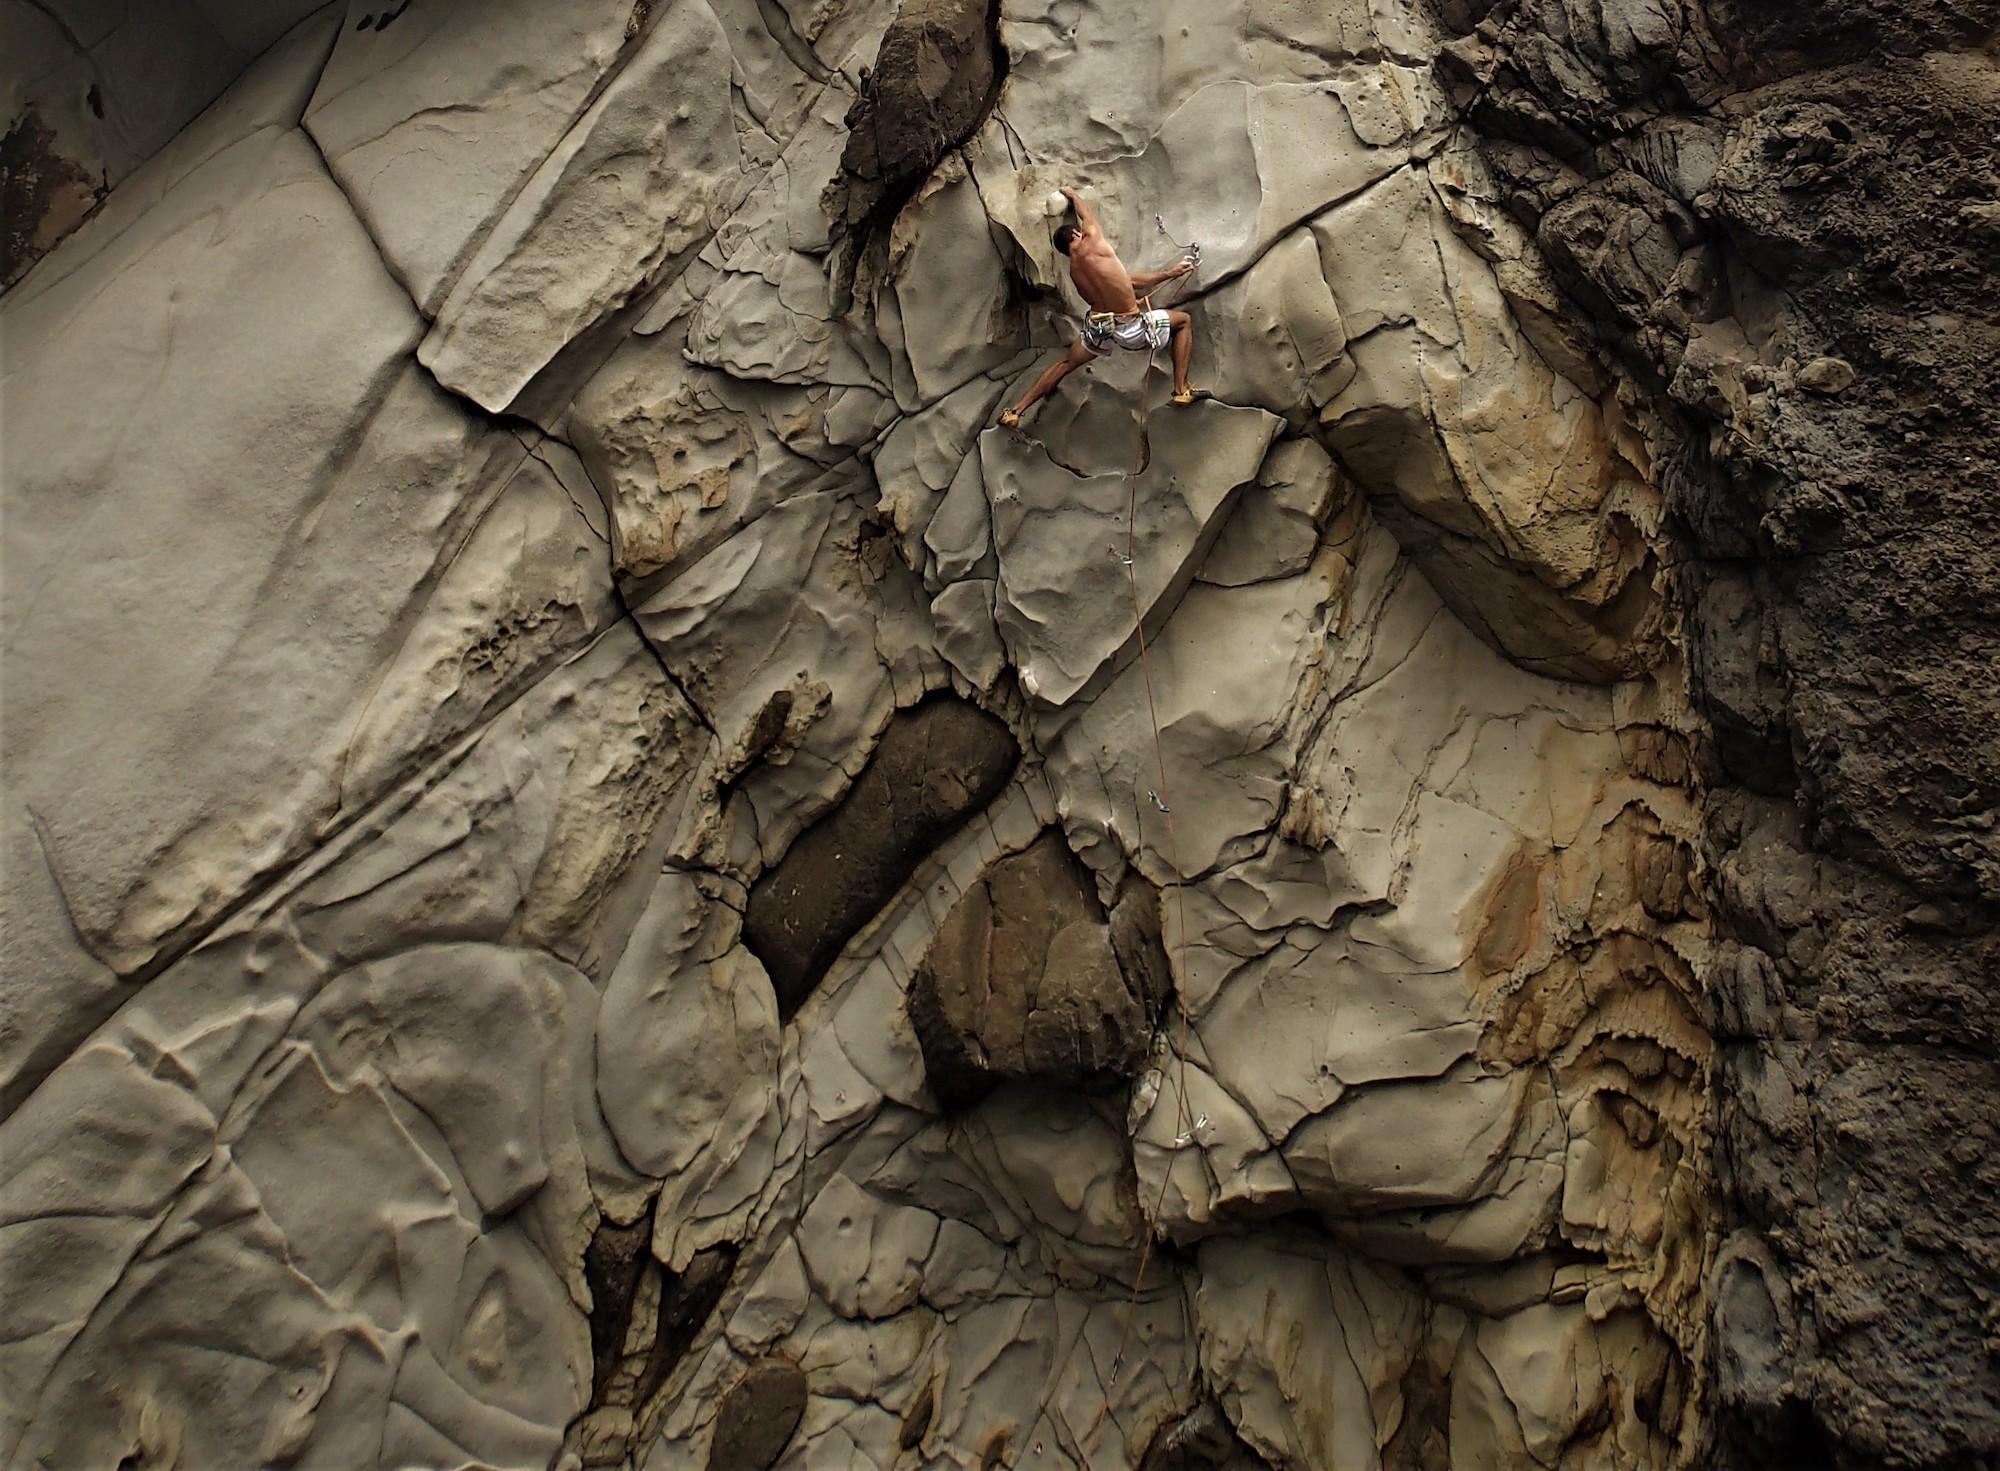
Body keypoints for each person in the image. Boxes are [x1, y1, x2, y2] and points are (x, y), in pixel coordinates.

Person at [998, 186, 1197, 428]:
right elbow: (1086, 213)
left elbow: (1125, 282)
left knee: (1066, 364)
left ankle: (1016, 410)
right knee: (1183, 321)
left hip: (1100, 329)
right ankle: (1181, 389)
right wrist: (1071, 194)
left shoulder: (1075, 273)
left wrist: (1169, 273)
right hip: (1131, 328)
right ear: (1077, 235)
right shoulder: (1092, 239)